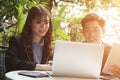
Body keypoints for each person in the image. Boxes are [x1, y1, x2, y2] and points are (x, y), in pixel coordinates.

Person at [5, 4, 53, 72]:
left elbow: (51, 63)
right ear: (30, 22)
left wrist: (52, 63)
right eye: (38, 22)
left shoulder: (48, 44)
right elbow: (10, 63)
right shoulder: (17, 41)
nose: (43, 26)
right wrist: (38, 66)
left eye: (46, 22)